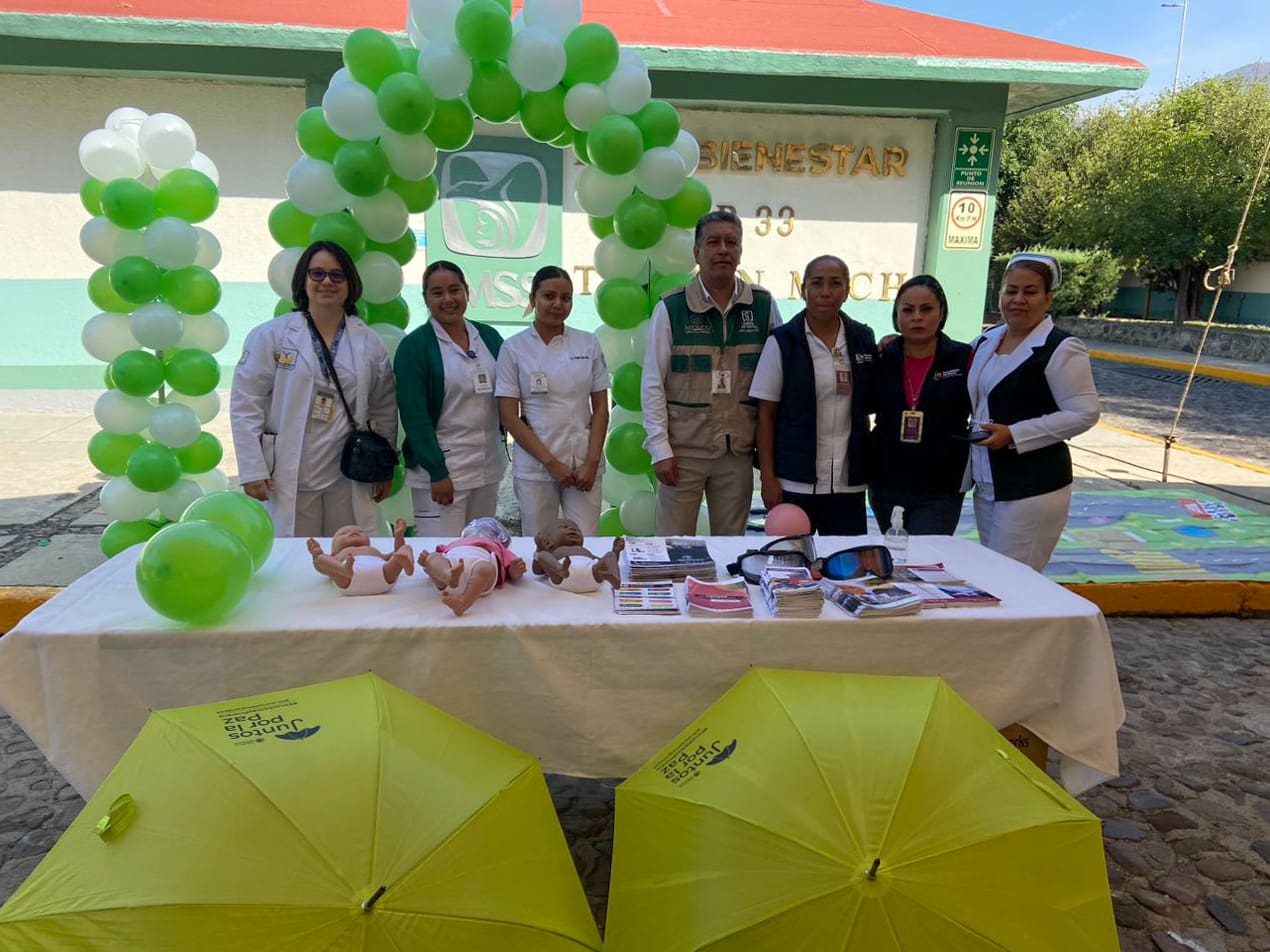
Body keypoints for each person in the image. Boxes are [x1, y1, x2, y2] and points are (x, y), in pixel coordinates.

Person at [231, 241, 397, 537]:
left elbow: (383, 407)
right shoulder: (272, 335)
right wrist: (252, 468)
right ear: (303, 280)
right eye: (317, 274)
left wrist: (384, 468)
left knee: (350, 552)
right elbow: (246, 404)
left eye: (337, 275)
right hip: (287, 472)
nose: (327, 282)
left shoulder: (368, 342)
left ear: (350, 283)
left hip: (347, 474)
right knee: (293, 556)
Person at [641, 210, 782, 536]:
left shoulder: (762, 306)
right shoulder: (672, 308)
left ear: (740, 251)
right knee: (673, 546)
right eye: (713, 242)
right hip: (682, 452)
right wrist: (660, 449)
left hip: (737, 453)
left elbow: (782, 370)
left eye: (731, 242)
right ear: (697, 252)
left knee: (731, 545)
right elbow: (652, 384)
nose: (723, 250)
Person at [965, 253, 1100, 571]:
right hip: (988, 484)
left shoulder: (1061, 347)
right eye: (1011, 290)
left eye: (1030, 291)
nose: (1018, 299)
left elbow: (1084, 412)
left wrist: (1015, 434)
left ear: (1048, 299)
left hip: (1032, 487)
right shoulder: (986, 341)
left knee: (1012, 580)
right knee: (993, 576)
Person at [750, 255, 876, 536]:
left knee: (846, 559)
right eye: (817, 283)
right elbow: (765, 415)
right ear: (803, 289)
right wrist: (768, 478)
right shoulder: (782, 341)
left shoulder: (863, 339)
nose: (825, 292)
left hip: (847, 483)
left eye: (835, 283)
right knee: (792, 560)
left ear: (847, 290)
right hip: (794, 482)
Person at [395, 261, 506, 537]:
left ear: (467, 291)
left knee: (481, 550)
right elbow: (415, 416)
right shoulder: (414, 347)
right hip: (442, 474)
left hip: (487, 467)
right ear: (425, 299)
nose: (448, 299)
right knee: (442, 555)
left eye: (455, 290)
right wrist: (437, 471)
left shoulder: (489, 337)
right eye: (437, 293)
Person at [496, 267, 610, 537]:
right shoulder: (513, 348)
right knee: (540, 543)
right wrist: (551, 464)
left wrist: (592, 462)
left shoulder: (588, 343)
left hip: (584, 466)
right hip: (537, 468)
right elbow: (509, 416)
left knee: (585, 540)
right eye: (549, 296)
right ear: (532, 299)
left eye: (566, 298)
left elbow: (601, 408)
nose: (558, 304)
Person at [869, 275, 972, 536]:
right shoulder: (881, 356)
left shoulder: (964, 358)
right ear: (897, 316)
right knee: (896, 552)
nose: (917, 317)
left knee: (926, 555)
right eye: (908, 310)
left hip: (940, 487)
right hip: (886, 483)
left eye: (926, 309)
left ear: (941, 313)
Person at [419, 517, 526, 616]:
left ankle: (463, 602)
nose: (477, 533)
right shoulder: (454, 543)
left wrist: (515, 570)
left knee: (485, 569)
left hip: (479, 576)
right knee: (433, 556)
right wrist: (427, 562)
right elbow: (439, 559)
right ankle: (448, 576)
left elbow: (511, 569)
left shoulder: (497, 545)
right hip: (450, 571)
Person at [306, 518, 414, 595]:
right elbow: (322, 568)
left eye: (360, 531)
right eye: (343, 533)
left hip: (383, 573)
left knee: (404, 549)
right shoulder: (336, 556)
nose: (353, 532)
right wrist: (316, 554)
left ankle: (408, 567)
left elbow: (397, 553)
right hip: (347, 578)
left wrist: (399, 535)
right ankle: (342, 569)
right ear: (333, 551)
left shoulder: (375, 552)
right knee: (321, 559)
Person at [531, 518, 625, 593]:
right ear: (547, 542)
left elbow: (606, 564)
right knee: (541, 555)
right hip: (560, 577)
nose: (572, 529)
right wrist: (539, 548)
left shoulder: (584, 551)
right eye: (564, 527)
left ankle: (615, 579)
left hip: (592, 574)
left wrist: (616, 551)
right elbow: (537, 571)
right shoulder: (553, 554)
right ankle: (560, 569)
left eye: (577, 529)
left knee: (610, 555)